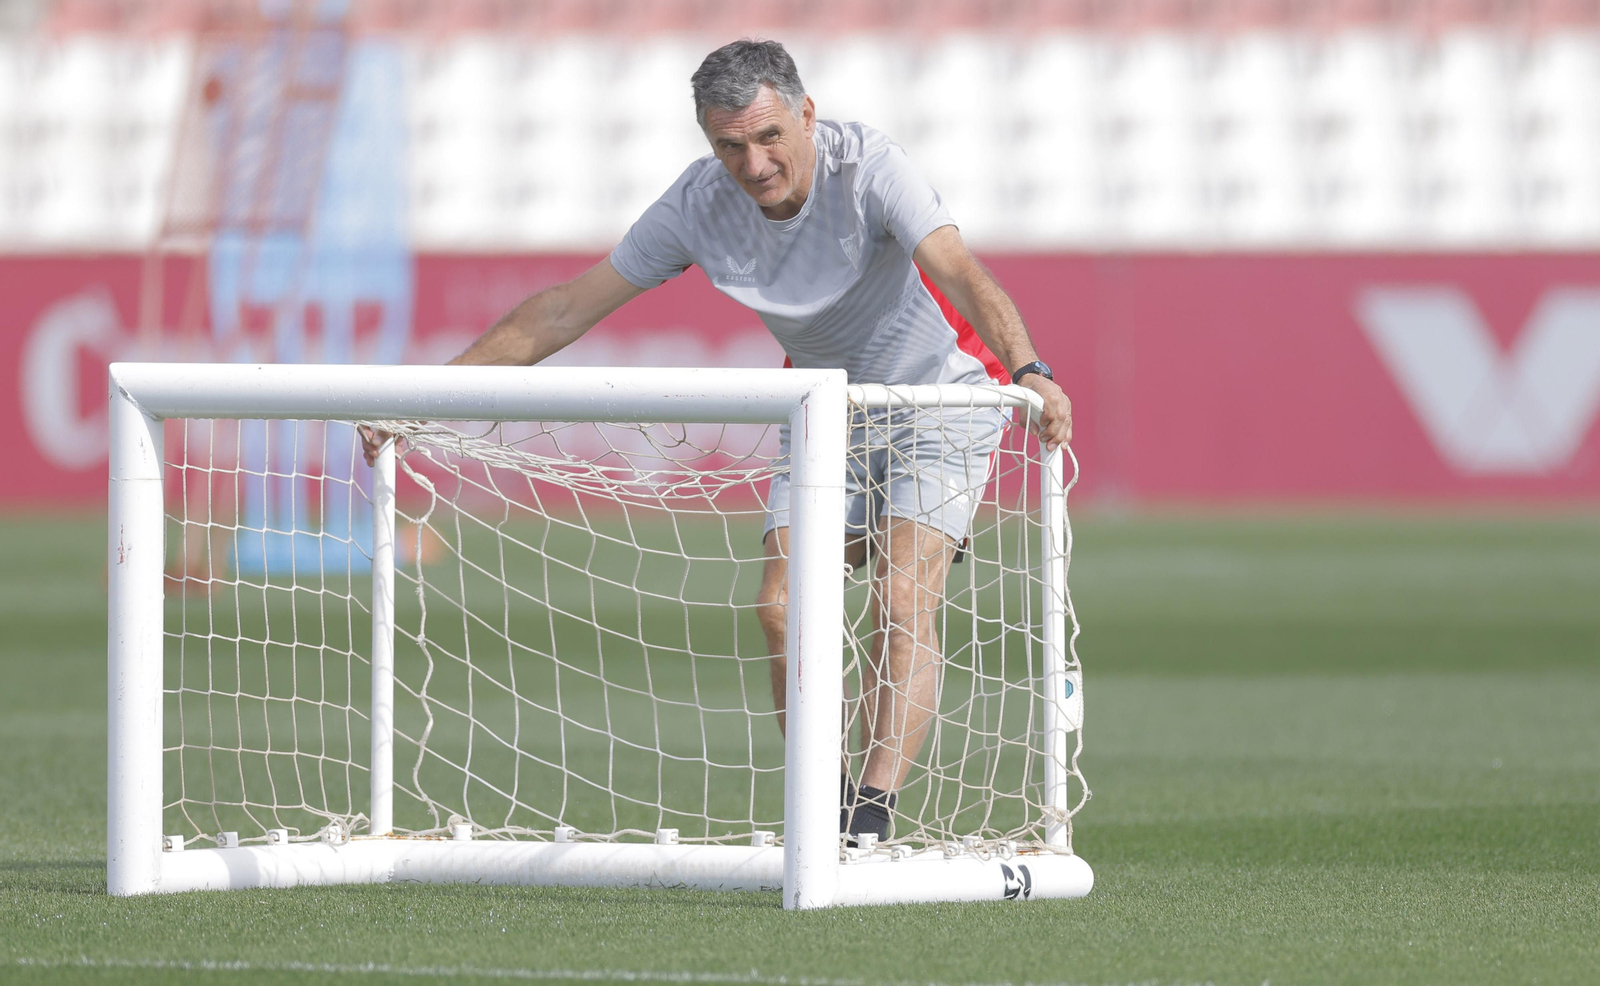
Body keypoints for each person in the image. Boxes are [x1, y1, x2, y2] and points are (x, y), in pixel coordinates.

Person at [362, 39, 1071, 844]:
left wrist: (1030, 366)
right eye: (730, 145)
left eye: (770, 137)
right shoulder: (698, 204)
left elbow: (959, 268)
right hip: (825, 409)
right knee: (779, 607)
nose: (755, 163)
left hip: (939, 394)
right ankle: (826, 796)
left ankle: (869, 814)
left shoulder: (870, 166)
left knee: (902, 599)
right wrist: (422, 399)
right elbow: (562, 311)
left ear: (806, 114)